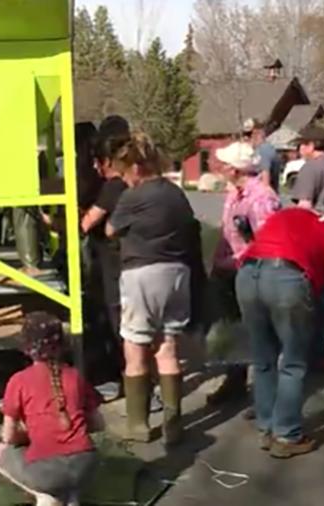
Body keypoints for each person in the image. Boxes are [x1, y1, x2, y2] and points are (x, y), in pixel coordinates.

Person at [236, 207, 324, 459]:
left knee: (263, 358)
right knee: (293, 361)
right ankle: (286, 435)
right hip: (286, 278)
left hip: (247, 273)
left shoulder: (289, 215)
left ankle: (266, 427)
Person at [106, 131, 196, 446]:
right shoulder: (175, 193)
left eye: (123, 171)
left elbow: (110, 230)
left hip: (141, 273)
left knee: (136, 350)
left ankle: (139, 425)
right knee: (168, 350)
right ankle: (174, 426)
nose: (123, 178)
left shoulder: (133, 197)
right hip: (177, 273)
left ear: (136, 168)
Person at [0, 312, 102, 506]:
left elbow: (8, 437)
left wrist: (30, 434)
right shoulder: (75, 376)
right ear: (62, 344)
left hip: (46, 472)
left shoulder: (18, 381)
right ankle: (72, 494)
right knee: (69, 472)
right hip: (86, 465)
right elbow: (98, 423)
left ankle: (46, 496)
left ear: (26, 347)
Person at [206, 141, 281, 406]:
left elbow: (267, 242)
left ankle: (267, 397)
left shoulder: (261, 198)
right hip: (227, 271)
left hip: (249, 272)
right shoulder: (234, 193)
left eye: (225, 163)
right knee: (234, 332)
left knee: (259, 335)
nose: (220, 166)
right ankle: (235, 383)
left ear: (235, 168)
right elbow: (228, 232)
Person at [80, 134, 130, 399]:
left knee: (119, 326)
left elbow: (87, 223)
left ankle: (130, 382)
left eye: (98, 162)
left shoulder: (113, 188)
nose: (96, 168)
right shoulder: (128, 185)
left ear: (107, 161)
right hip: (120, 264)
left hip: (113, 266)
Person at [242, 118, 282, 193]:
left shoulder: (264, 150)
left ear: (260, 133)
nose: (246, 138)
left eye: (249, 134)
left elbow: (265, 178)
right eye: (244, 134)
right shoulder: (257, 150)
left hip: (262, 199)